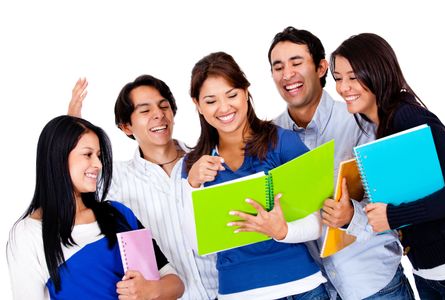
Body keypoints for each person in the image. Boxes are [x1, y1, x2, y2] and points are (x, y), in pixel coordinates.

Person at [265, 26, 414, 299]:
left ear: (321, 68)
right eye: (278, 67)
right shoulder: (269, 137)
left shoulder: (362, 119)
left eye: (296, 63)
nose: (287, 74)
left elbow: (399, 205)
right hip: (314, 289)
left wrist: (351, 217)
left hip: (374, 284)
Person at [183, 51, 329, 300]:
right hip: (238, 292)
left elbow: (319, 222)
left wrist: (281, 231)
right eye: (210, 101)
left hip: (301, 288)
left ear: (246, 91)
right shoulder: (194, 164)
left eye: (232, 95)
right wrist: (192, 185)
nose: (224, 108)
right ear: (197, 104)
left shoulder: (283, 142)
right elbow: (197, 244)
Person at [68, 76, 218, 299]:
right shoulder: (114, 178)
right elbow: (72, 174)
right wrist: (72, 124)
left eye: (164, 106)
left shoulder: (207, 160)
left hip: (227, 292)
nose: (159, 114)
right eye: (145, 110)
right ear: (126, 127)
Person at [6, 115, 184, 299]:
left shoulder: (118, 215)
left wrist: (149, 291)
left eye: (98, 156)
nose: (98, 164)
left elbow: (174, 283)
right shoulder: (28, 234)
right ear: (58, 157)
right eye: (87, 154)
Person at [330, 32, 445, 299]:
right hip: (427, 273)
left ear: (378, 72)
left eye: (353, 76)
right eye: (338, 79)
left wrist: (393, 217)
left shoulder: (406, 116)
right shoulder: (379, 125)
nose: (343, 87)